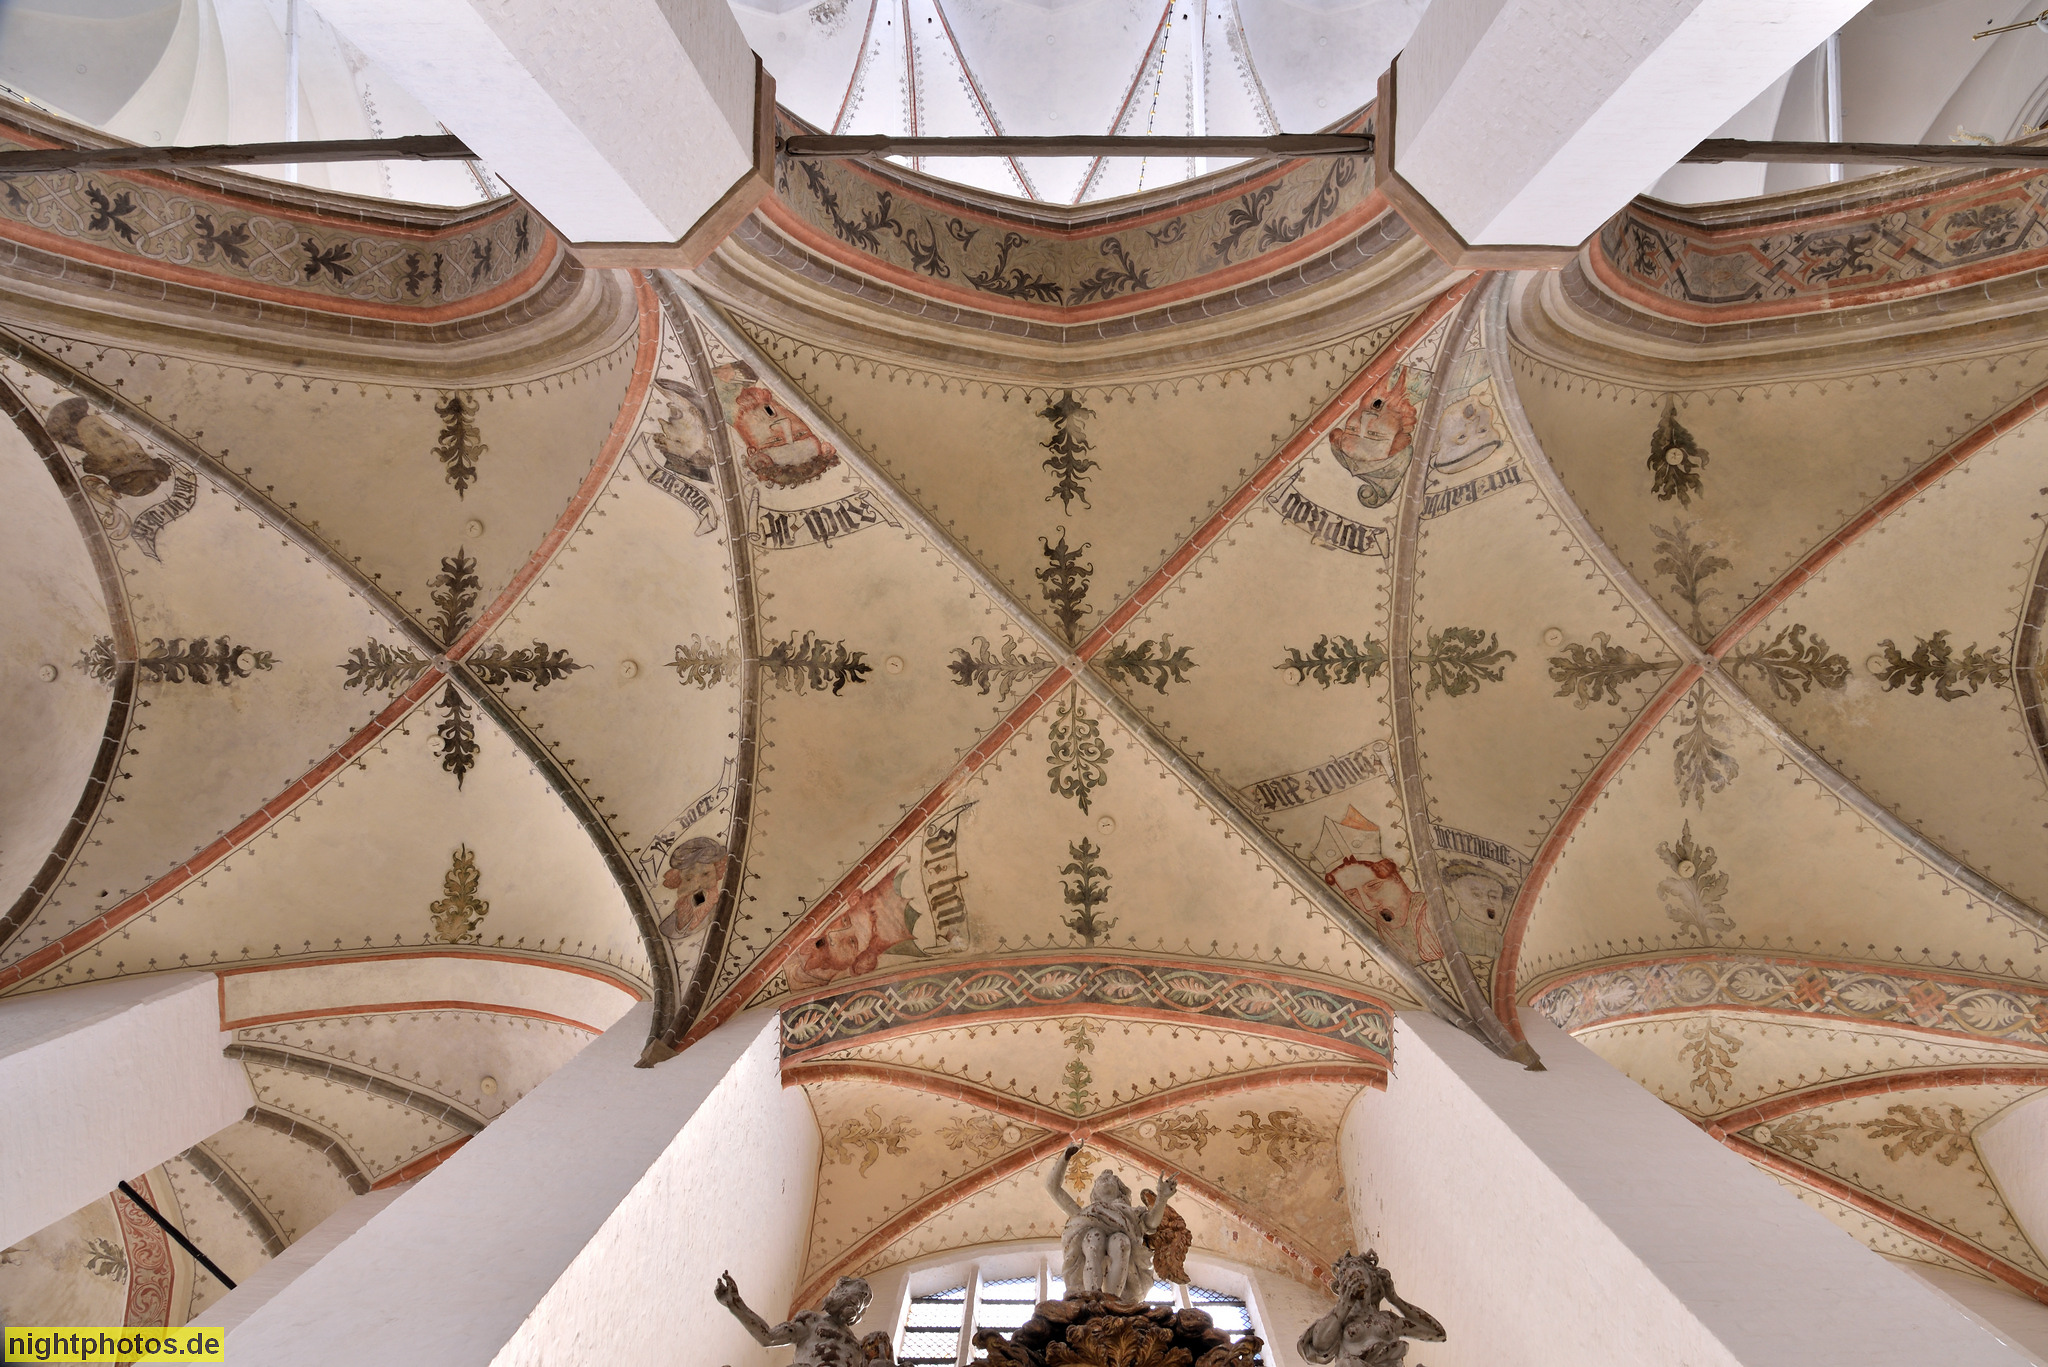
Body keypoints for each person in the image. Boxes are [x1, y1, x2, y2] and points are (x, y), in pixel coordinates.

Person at [1045, 1143, 1177, 1303]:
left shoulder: (1133, 1213)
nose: (1104, 1179)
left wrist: (1162, 1198)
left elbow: (1151, 1223)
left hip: (1126, 1255)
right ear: (1094, 1192)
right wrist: (1065, 1158)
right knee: (1094, 1236)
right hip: (1092, 1243)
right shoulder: (1086, 1213)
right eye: (1100, 1180)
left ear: (1120, 1189)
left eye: (1110, 1179)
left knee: (1120, 1240)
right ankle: (1092, 1296)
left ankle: (1112, 1301)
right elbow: (1053, 1188)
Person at [1298, 1250, 1444, 1367]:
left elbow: (1437, 1333)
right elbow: (1318, 1347)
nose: (1352, 1274)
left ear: (1371, 1277)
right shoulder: (1340, 1322)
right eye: (1344, 1273)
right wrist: (1344, 1305)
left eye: (1357, 1268)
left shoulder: (1387, 1319)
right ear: (1340, 1286)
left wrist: (1395, 1299)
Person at [714, 1271, 893, 1366]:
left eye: (864, 1301)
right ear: (839, 1290)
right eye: (858, 1293)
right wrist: (735, 1303)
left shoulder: (858, 1346)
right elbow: (768, 1337)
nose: (860, 1302)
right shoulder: (811, 1322)